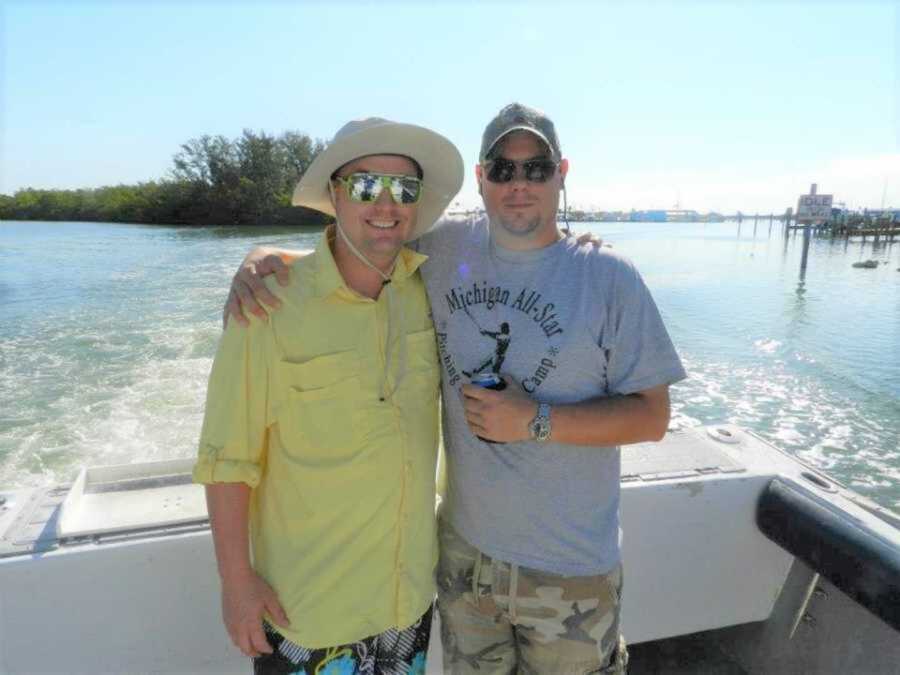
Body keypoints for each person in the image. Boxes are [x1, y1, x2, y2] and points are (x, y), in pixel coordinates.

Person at [227, 103, 686, 674]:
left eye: (536, 169)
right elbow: (362, 242)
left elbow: (653, 417)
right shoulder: (444, 251)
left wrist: (536, 419)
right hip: (465, 565)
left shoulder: (610, 277)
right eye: (503, 169)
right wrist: (266, 260)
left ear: (561, 173)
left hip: (571, 571)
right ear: (481, 177)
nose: (519, 185)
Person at [194, 116, 463, 674]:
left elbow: (515, 248)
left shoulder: (430, 288)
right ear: (335, 195)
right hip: (307, 608)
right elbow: (226, 458)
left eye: (403, 189)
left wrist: (575, 243)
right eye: (366, 185)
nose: (385, 203)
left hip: (407, 600)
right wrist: (235, 581)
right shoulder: (266, 306)